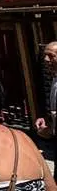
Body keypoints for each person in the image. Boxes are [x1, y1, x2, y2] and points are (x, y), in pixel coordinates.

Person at [35, 41, 57, 179]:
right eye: (45, 56)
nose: (46, 59)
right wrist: (48, 122)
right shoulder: (54, 79)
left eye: (51, 56)